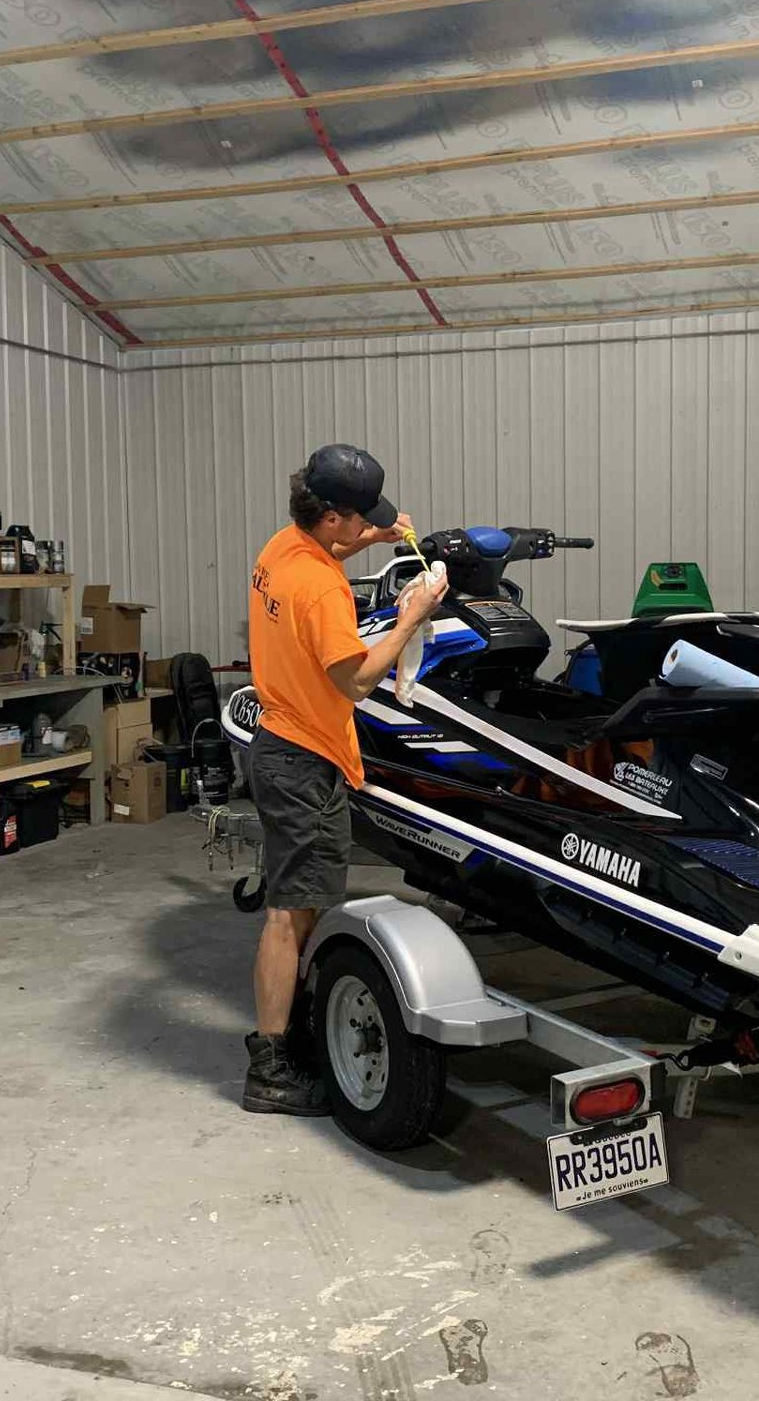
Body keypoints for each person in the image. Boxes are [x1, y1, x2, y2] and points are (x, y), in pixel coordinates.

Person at [242, 444, 448, 1116]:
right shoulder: (322, 587)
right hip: (304, 757)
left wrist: (377, 540)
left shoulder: (284, 548)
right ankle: (271, 1068)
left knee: (296, 904)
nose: (368, 530)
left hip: (282, 741)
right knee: (287, 911)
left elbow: (321, 567)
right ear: (331, 517)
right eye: (361, 522)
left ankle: (283, 1037)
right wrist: (415, 614)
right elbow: (357, 680)